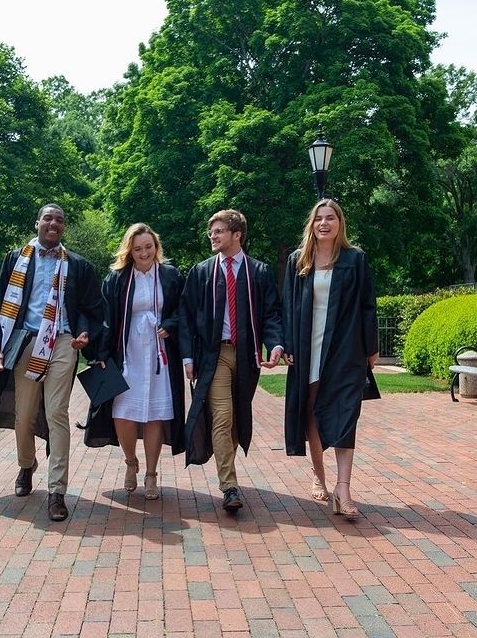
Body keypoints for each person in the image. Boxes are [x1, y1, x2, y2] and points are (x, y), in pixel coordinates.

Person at [0, 203, 104, 522]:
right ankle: (27, 464)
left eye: (59, 219)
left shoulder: (79, 266)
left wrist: (84, 332)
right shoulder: (15, 259)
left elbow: (92, 307)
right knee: (23, 416)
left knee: (57, 412)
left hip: (63, 343)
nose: (53, 223)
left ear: (63, 227)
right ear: (37, 223)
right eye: (48, 218)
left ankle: (57, 491)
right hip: (26, 342)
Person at [179, 209, 284, 512]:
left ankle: (229, 469)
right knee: (222, 417)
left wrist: (275, 344)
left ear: (237, 235)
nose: (213, 235)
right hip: (216, 355)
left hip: (247, 355)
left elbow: (271, 314)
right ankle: (229, 486)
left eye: (220, 231)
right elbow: (186, 316)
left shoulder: (258, 272)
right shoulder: (201, 272)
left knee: (238, 418)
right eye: (211, 231)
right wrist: (188, 356)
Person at [282, 198, 379, 521]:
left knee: (345, 413)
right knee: (312, 409)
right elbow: (288, 308)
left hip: (345, 347)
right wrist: (288, 345)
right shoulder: (299, 260)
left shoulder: (355, 259)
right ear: (312, 224)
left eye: (331, 218)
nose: (324, 223)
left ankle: (343, 489)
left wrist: (371, 346)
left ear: (340, 224)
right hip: (309, 346)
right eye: (319, 218)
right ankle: (318, 473)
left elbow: (368, 305)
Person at [84, 223, 185, 500]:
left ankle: (152, 473)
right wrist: (101, 355)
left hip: (159, 355)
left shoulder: (170, 276)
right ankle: (131, 461)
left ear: (156, 247)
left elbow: (183, 311)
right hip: (126, 354)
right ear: (129, 250)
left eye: (148, 247)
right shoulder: (117, 279)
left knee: (154, 414)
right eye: (138, 248)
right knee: (123, 414)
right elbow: (105, 320)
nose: (144, 253)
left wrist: (171, 324)